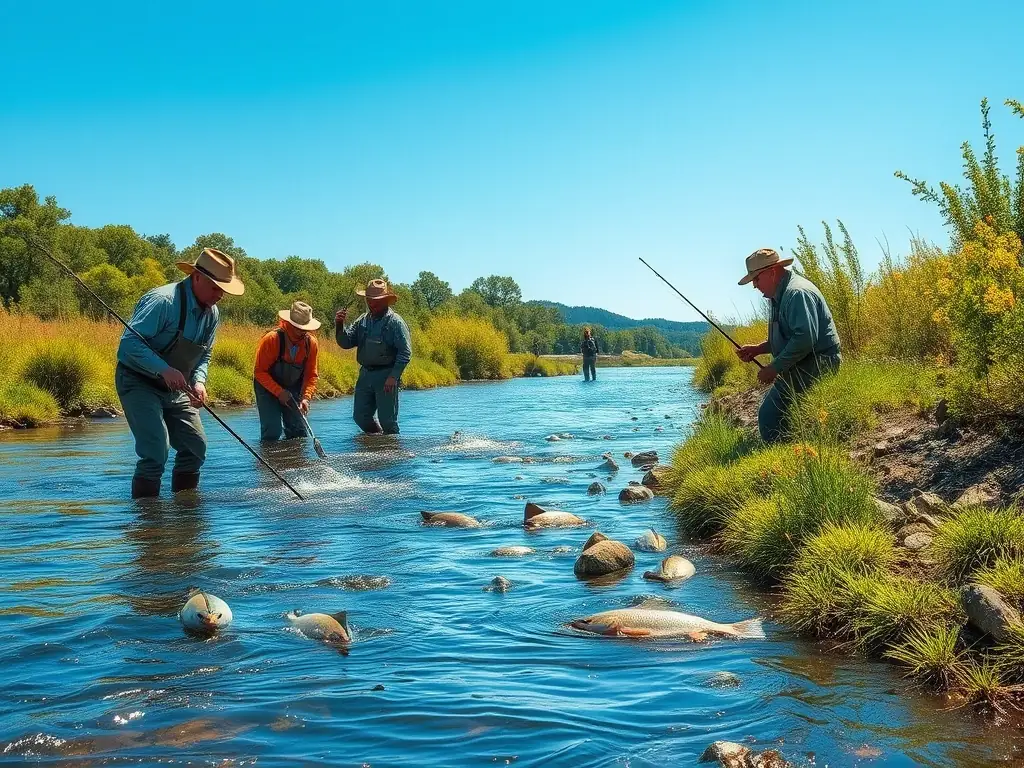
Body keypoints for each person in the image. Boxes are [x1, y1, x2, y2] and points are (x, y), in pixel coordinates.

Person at [115, 248, 245, 498]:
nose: (220, 296)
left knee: (195, 447)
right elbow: (128, 345)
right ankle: (148, 525)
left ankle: (185, 518)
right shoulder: (162, 301)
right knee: (155, 451)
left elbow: (204, 354)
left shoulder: (212, 314)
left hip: (177, 388)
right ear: (197, 277)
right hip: (138, 381)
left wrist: (199, 382)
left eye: (223, 290)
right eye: (216, 288)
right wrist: (163, 369)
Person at [735, 248, 842, 443]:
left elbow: (805, 338)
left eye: (756, 279)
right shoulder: (780, 294)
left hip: (819, 363)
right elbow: (789, 337)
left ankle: (781, 454)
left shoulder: (796, 293)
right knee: (773, 411)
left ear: (773, 271)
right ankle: (788, 446)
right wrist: (758, 349)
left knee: (769, 414)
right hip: (805, 362)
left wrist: (774, 368)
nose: (755, 286)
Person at [335, 279, 412, 434]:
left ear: (385, 301)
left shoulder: (395, 322)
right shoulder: (362, 320)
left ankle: (392, 452)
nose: (372, 304)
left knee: (388, 422)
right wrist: (339, 324)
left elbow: (405, 352)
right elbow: (346, 342)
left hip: (387, 376)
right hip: (365, 375)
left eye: (376, 301)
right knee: (360, 417)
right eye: (369, 300)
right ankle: (376, 443)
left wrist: (393, 377)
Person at [253, 300, 321, 441]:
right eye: (298, 328)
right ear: (288, 324)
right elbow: (259, 372)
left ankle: (294, 462)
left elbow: (311, 376)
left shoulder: (311, 344)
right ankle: (268, 460)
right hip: (266, 387)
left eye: (305, 329)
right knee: (272, 431)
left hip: (293, 388)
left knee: (299, 433)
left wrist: (306, 398)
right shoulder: (271, 339)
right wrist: (279, 392)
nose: (303, 332)